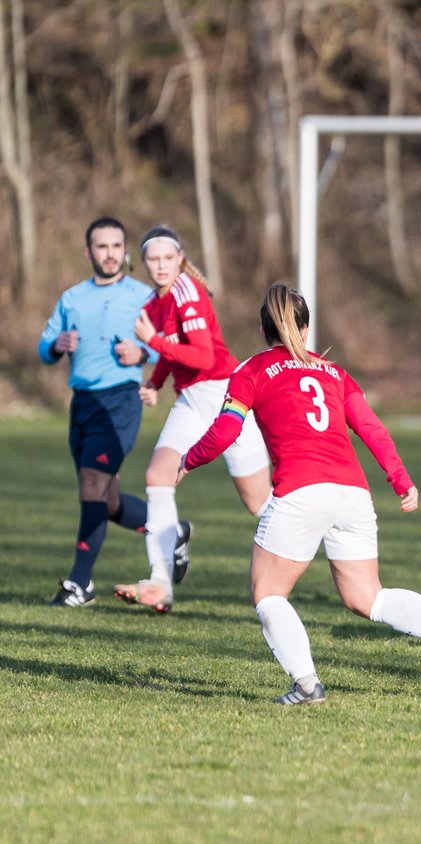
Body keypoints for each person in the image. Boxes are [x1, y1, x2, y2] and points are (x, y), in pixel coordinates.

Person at [177, 283, 421, 703]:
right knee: (367, 596)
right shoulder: (334, 372)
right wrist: (401, 479)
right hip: (353, 494)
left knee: (268, 593)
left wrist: (188, 459)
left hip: (302, 492)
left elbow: (228, 429)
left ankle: (307, 685)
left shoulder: (250, 370)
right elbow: (371, 428)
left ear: (264, 329)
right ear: (305, 330)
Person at [112, 225, 273, 614]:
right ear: (143, 261)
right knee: (157, 476)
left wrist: (152, 343)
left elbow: (201, 357)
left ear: (181, 258)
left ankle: (333, 532)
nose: (161, 265)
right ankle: (160, 583)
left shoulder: (189, 293)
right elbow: (172, 352)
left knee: (261, 505)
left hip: (228, 398)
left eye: (168, 258)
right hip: (190, 403)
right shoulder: (153, 305)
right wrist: (155, 381)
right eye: (153, 258)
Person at [38, 217, 158, 606]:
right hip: (83, 404)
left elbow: (166, 344)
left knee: (92, 482)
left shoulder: (144, 297)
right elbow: (44, 348)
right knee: (104, 501)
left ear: (126, 251)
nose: (110, 254)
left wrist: (142, 352)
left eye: (117, 246)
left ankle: (80, 584)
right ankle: (170, 529)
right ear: (88, 252)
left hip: (121, 400)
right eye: (102, 247)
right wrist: (57, 344)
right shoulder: (71, 298)